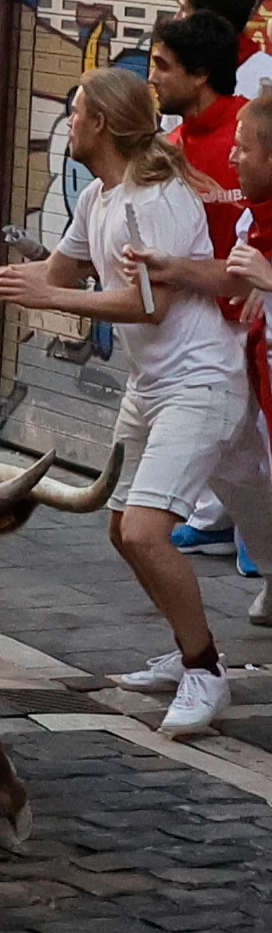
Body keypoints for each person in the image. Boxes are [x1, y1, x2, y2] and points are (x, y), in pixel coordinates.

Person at [0, 69, 253, 739]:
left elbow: (145, 303)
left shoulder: (154, 196)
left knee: (148, 532)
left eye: (76, 109)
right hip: (150, 384)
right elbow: (46, 276)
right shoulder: (96, 197)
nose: (68, 119)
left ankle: (204, 670)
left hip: (200, 380)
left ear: (99, 126)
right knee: (122, 531)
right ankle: (187, 652)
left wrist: (52, 301)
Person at [134, 90, 272, 628]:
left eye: (242, 149)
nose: (232, 159)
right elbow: (231, 276)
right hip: (255, 375)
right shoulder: (249, 223)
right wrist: (171, 266)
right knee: (245, 475)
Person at [149, 9, 246, 253]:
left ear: (200, 75)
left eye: (163, 67)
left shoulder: (254, 135)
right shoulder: (168, 148)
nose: (152, 78)